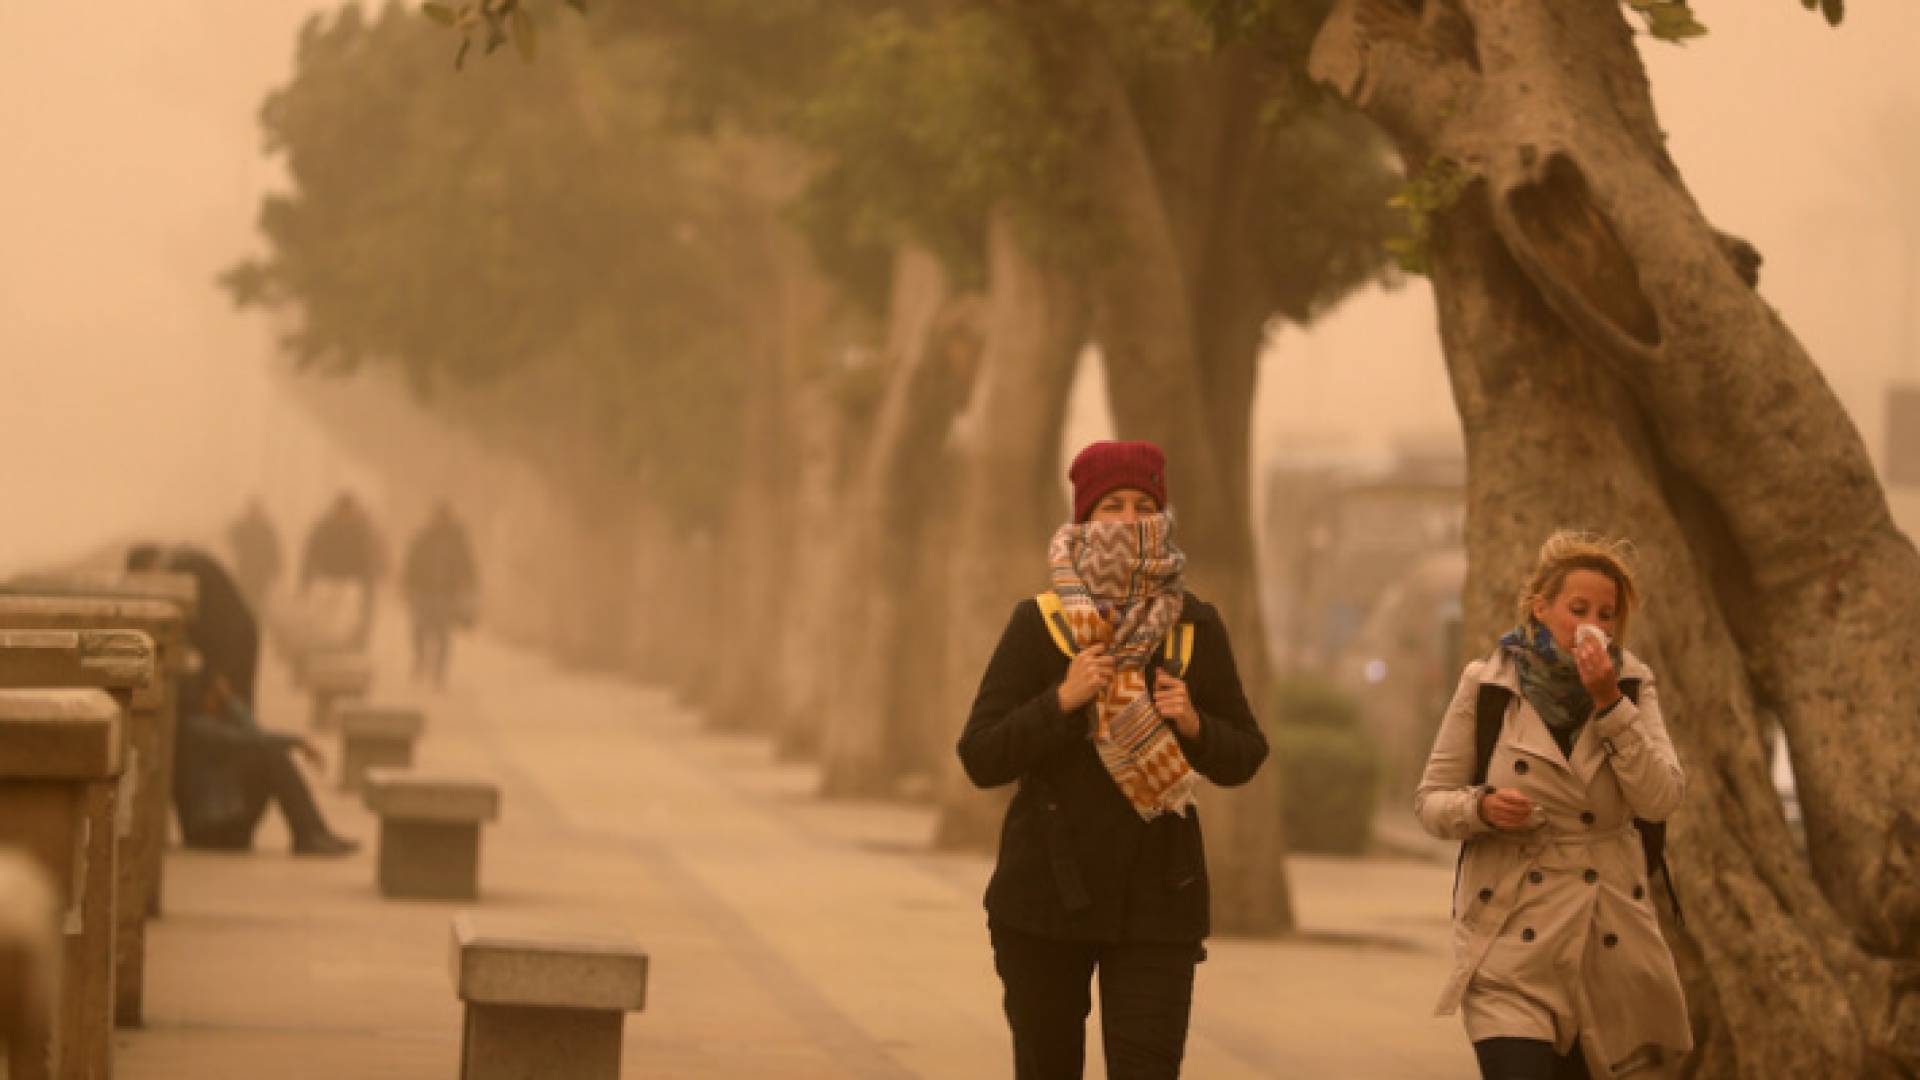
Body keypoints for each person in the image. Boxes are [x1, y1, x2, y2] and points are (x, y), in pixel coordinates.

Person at [958, 439, 1269, 1079]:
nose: (1129, 520)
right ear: (1084, 518)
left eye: (1142, 506)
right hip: (1045, 898)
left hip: (1158, 901)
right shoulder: (1041, 623)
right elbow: (982, 755)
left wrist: (1194, 724)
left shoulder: (1193, 626)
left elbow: (1244, 754)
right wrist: (1062, 700)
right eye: (1112, 506)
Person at [1415, 531, 1689, 1079]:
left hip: (1600, 940)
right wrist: (1482, 809)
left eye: (1607, 615)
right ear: (1542, 608)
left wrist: (1609, 702)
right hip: (1508, 940)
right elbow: (1430, 801)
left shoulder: (1632, 685)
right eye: (1578, 609)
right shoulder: (1487, 684)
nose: (1593, 625)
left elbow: (1661, 797)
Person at [173, 672, 357, 856]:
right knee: (272, 757)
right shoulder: (196, 728)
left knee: (271, 757)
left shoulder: (204, 723)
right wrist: (298, 742)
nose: (220, 699)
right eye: (216, 694)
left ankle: (313, 833)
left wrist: (230, 702)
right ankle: (310, 835)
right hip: (210, 833)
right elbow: (254, 738)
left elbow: (254, 733)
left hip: (220, 828)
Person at [127, 543, 261, 708]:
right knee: (232, 706)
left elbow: (219, 625)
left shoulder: (179, 570)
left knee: (233, 705)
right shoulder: (182, 562)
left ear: (149, 568)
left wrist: (221, 675)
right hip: (238, 636)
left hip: (236, 642)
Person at [401, 501, 479, 687]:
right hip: (424, 590)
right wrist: (408, 585)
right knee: (420, 629)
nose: (440, 520)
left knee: (442, 633)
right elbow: (412, 562)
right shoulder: (424, 538)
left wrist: (468, 587)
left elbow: (467, 565)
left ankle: (439, 672)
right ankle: (420, 659)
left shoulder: (457, 541)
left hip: (446, 592)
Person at [299, 492, 385, 649]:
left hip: (344, 580)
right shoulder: (359, 528)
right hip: (338, 579)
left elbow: (311, 553)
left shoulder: (327, 527)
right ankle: (349, 641)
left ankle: (352, 641)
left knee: (339, 615)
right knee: (335, 616)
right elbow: (311, 553)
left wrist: (305, 580)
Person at [225, 497, 283, 611]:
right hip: (256, 568)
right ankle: (253, 612)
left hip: (251, 568)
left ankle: (251, 612)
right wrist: (276, 567)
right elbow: (274, 549)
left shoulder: (247, 526)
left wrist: (276, 566)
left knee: (251, 593)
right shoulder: (264, 527)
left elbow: (273, 548)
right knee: (255, 594)